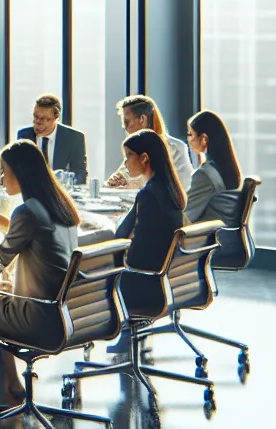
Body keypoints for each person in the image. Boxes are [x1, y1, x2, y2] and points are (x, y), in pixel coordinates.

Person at [0, 140, 81, 395]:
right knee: (2, 293)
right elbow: (21, 229)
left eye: (5, 171)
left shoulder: (28, 212)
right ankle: (12, 382)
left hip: (40, 318)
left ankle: (1, 385)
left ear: (21, 173)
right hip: (67, 312)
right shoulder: (58, 205)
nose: (2, 177)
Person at [114, 128, 187, 317]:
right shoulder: (170, 191)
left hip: (144, 288)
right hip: (168, 282)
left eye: (128, 156)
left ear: (144, 158)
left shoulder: (149, 196)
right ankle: (130, 334)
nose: (125, 162)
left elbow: (135, 256)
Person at [185, 109, 249, 265]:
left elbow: (186, 216)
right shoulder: (226, 169)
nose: (188, 139)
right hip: (226, 240)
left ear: (204, 139)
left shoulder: (204, 175)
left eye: (191, 134)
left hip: (209, 243)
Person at [106, 95, 194, 188]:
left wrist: (131, 184)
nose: (125, 128)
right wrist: (115, 181)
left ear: (142, 119)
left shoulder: (176, 149)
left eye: (127, 122)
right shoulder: (134, 150)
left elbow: (183, 189)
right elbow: (121, 176)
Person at [15, 94, 88, 183]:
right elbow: (17, 170)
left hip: (61, 192)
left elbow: (80, 175)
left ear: (56, 118)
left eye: (44, 119)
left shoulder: (74, 138)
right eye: (36, 117)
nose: (38, 123)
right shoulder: (24, 135)